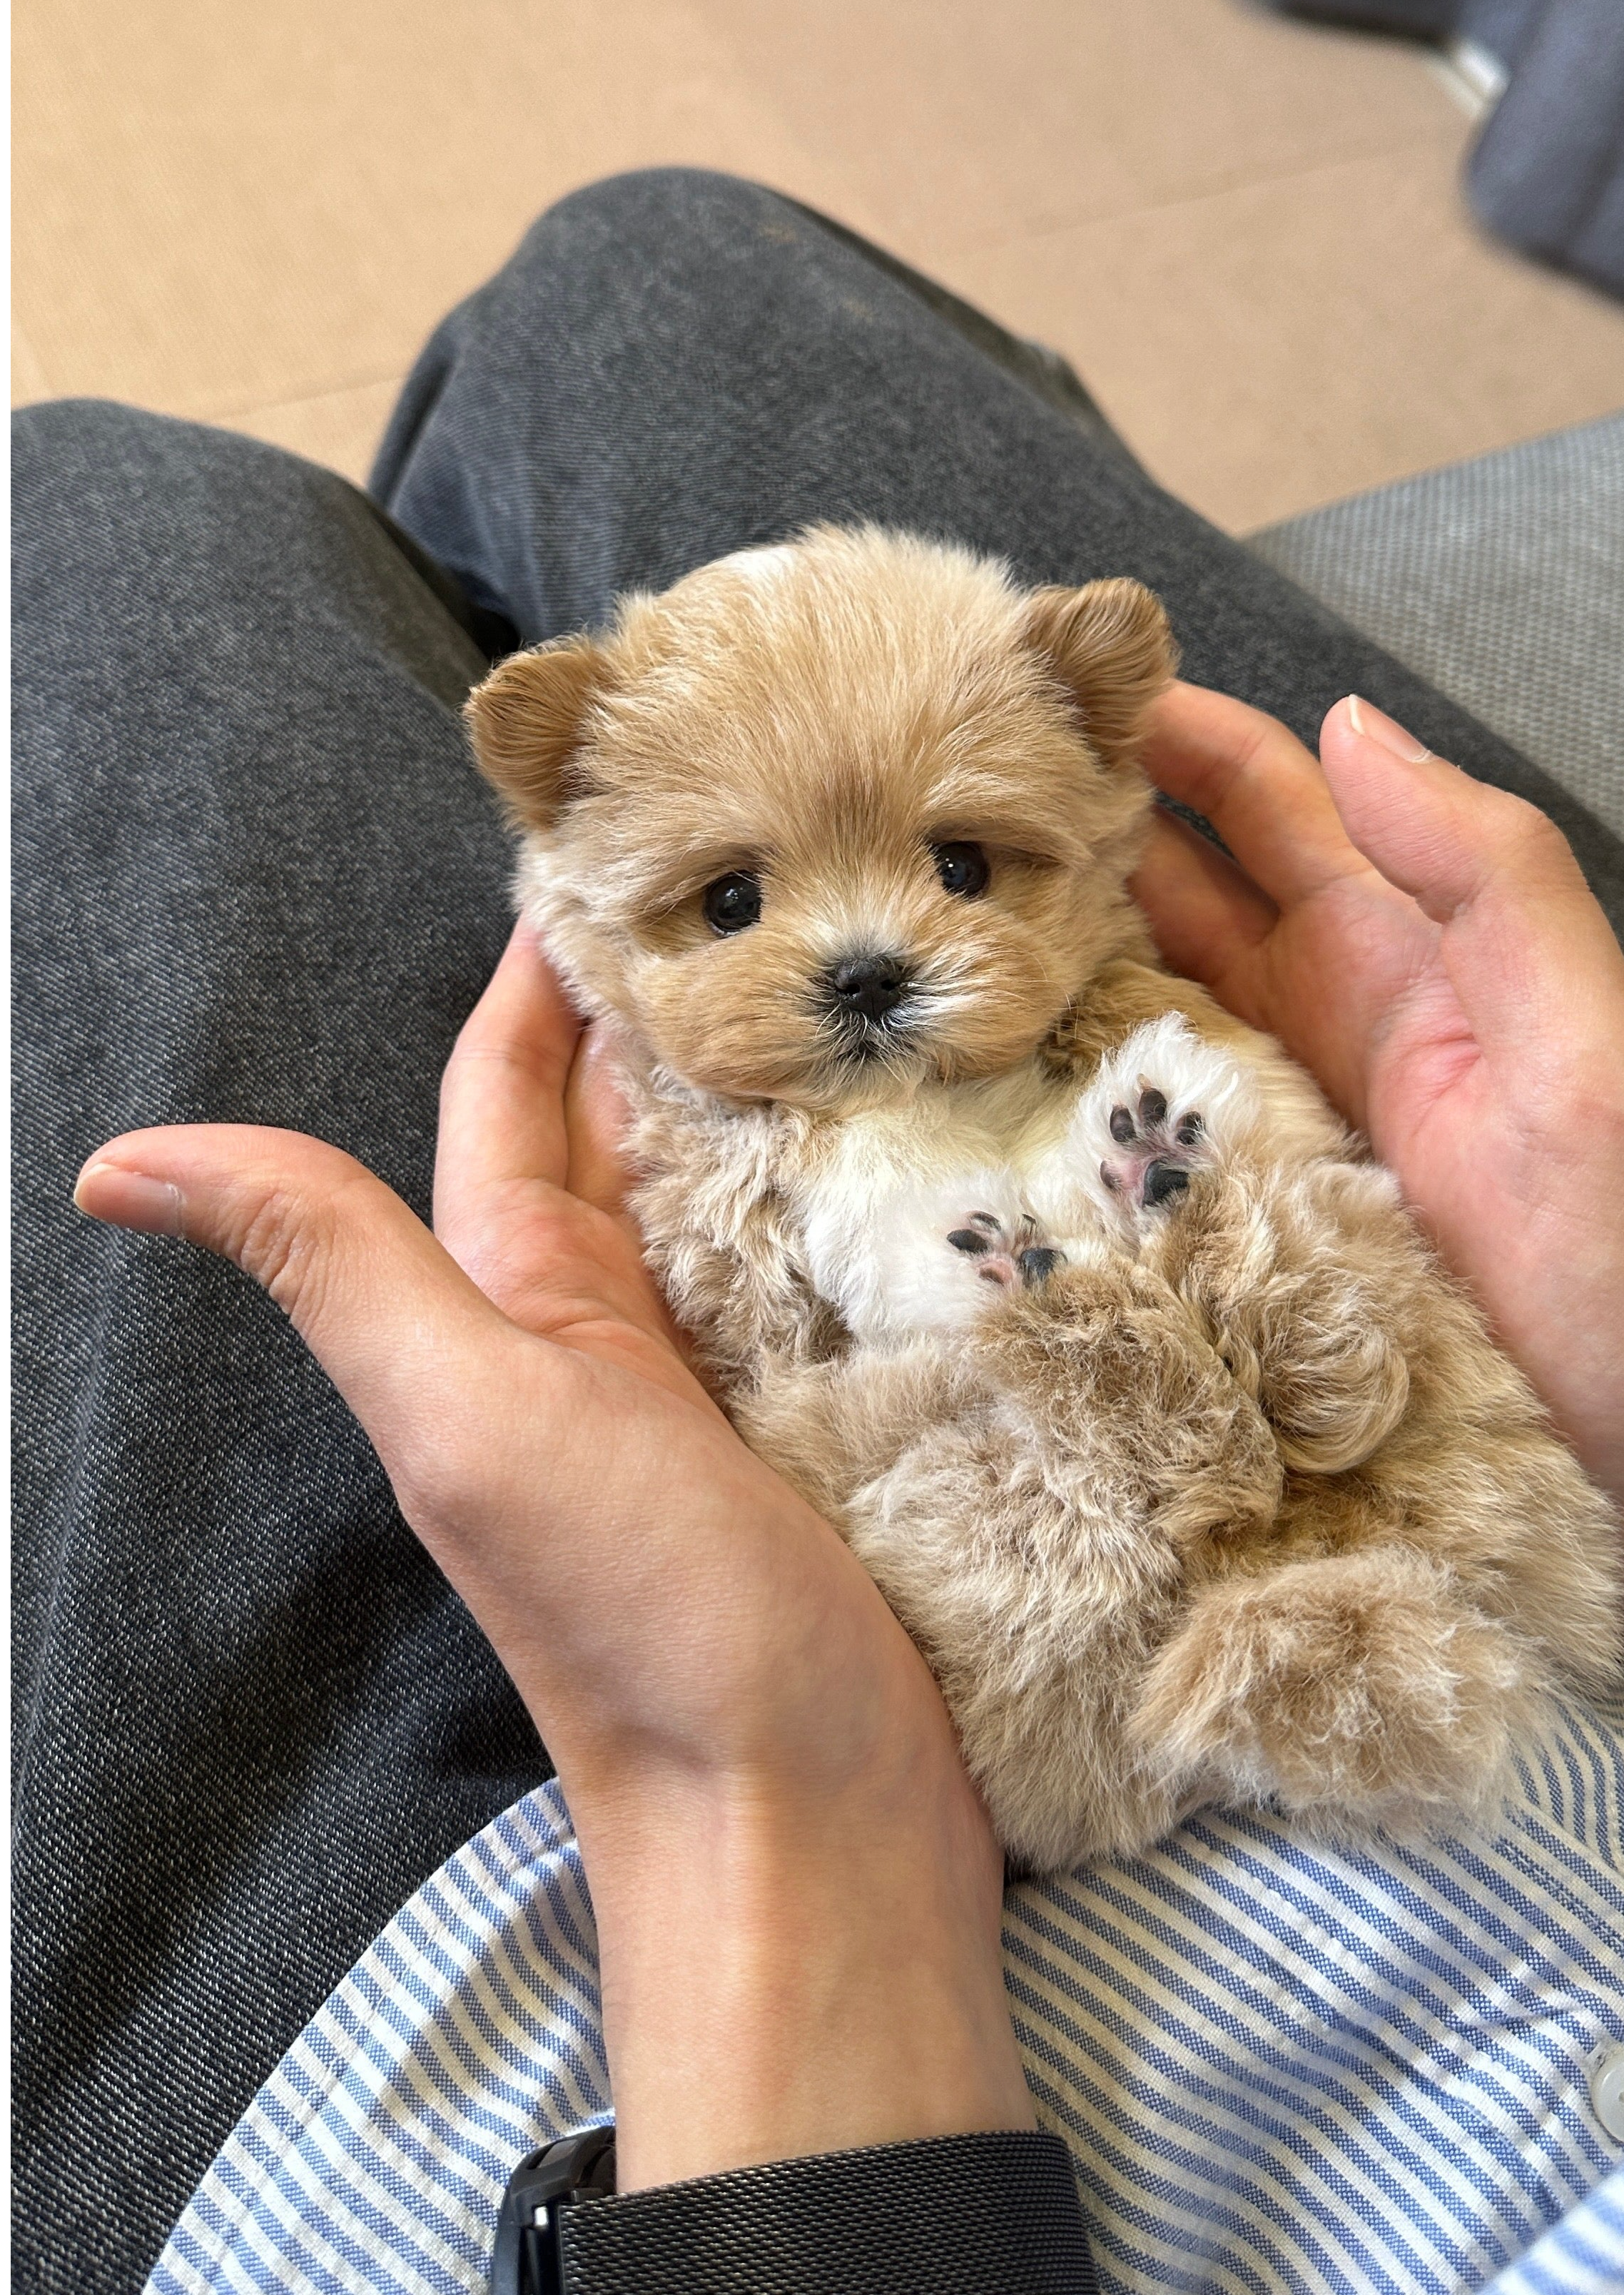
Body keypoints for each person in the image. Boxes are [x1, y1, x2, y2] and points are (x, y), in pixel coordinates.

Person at [12, 169, 1623, 2295]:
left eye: (970, 857)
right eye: (733, 897)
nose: (871, 958)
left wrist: (757, 1810)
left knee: (116, 515)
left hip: (650, 2064)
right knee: (651, 257)